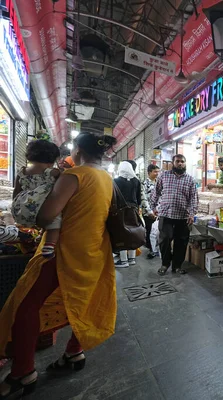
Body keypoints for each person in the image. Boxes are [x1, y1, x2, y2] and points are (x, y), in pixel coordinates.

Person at [0, 133, 117, 398]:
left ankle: (23, 372)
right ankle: (74, 352)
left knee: (25, 306)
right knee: (82, 301)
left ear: (77, 150)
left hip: (63, 254)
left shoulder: (73, 176)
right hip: (94, 250)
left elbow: (45, 216)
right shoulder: (105, 178)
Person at [12, 140, 62, 258]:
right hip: (41, 207)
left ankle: (40, 235)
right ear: (53, 158)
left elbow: (16, 191)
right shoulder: (52, 172)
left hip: (23, 209)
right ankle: (49, 246)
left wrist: (16, 205)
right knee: (55, 221)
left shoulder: (22, 172)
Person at [150, 154, 198, 276]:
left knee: (181, 242)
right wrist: (153, 207)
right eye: (177, 161)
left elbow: (193, 198)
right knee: (165, 239)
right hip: (166, 214)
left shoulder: (190, 179)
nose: (180, 163)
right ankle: (165, 264)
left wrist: (192, 214)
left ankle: (177, 266)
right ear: (173, 163)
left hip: (183, 216)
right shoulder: (164, 176)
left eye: (182, 161)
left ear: (185, 163)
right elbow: (156, 192)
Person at [113, 161, 142, 267]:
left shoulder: (115, 181)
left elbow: (114, 197)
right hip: (133, 210)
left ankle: (124, 261)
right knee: (133, 233)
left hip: (120, 211)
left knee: (122, 234)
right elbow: (139, 198)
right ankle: (132, 259)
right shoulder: (136, 181)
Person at [142, 164, 160, 258]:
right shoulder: (145, 184)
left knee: (158, 231)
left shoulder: (159, 182)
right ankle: (151, 249)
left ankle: (157, 249)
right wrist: (149, 211)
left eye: (158, 171)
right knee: (150, 231)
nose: (157, 173)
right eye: (155, 172)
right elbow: (143, 199)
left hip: (158, 211)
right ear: (149, 172)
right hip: (148, 213)